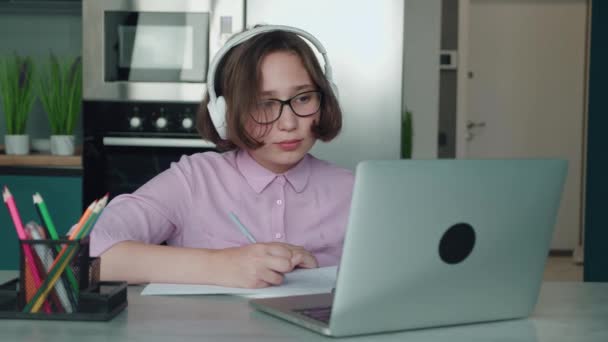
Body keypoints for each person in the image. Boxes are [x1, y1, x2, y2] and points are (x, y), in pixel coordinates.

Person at [90, 25, 354, 288]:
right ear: (224, 113)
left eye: (304, 98)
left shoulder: (355, 191)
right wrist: (223, 264)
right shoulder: (193, 181)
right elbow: (90, 251)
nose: (289, 122)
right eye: (264, 104)